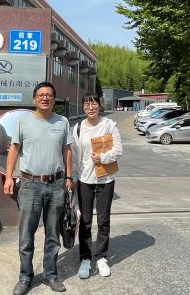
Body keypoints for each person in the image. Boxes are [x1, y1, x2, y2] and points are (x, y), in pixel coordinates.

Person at [4, 82, 73, 294]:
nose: (45, 98)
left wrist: (69, 177)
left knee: (53, 233)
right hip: (29, 184)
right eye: (41, 95)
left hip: (56, 184)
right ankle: (25, 276)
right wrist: (8, 177)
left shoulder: (62, 122)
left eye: (49, 95)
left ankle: (50, 275)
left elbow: (67, 150)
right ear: (34, 99)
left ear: (54, 99)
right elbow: (14, 150)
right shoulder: (23, 121)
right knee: (26, 234)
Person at [71, 92, 123, 279]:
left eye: (93, 104)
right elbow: (74, 156)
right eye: (87, 104)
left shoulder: (109, 125)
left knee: (103, 220)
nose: (90, 107)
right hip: (85, 180)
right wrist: (73, 178)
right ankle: (85, 258)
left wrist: (102, 157)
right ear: (83, 107)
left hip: (105, 180)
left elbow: (118, 150)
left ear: (99, 105)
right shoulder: (78, 128)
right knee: (85, 221)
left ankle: (101, 257)